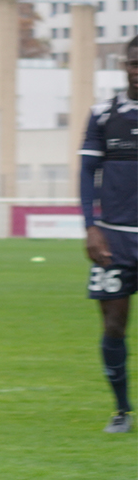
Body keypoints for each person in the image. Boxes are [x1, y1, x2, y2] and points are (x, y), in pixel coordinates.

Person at [81, 34, 138, 434]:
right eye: (134, 62)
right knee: (113, 325)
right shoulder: (104, 114)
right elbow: (87, 173)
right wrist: (91, 226)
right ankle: (121, 410)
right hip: (115, 238)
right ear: (124, 65)